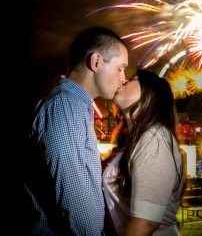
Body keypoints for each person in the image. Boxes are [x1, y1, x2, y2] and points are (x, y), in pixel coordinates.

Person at [23, 26, 129, 235]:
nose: (123, 78)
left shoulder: (75, 107)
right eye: (120, 68)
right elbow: (75, 194)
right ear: (96, 61)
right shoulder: (64, 107)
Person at [102, 68, 185, 236]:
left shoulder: (156, 139)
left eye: (133, 79)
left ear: (150, 93)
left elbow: (146, 223)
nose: (124, 80)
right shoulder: (134, 140)